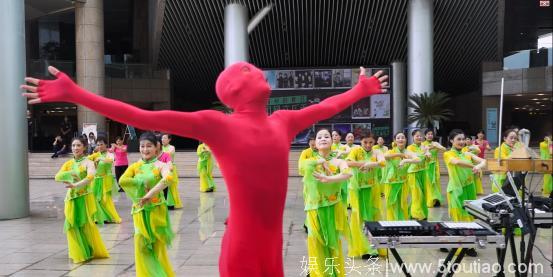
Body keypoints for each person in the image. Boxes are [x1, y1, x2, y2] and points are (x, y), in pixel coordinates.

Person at [22, 63, 387, 277]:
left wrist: (361, 90)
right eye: (245, 70)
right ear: (236, 90)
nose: (254, 69)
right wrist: (76, 93)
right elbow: (142, 116)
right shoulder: (218, 125)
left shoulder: (285, 121)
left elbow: (326, 107)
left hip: (271, 243)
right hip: (243, 244)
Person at [119, 132, 175, 277]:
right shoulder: (135, 166)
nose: (145, 149)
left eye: (149, 146)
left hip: (156, 210)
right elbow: (122, 181)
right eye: (142, 146)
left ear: (156, 148)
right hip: (140, 210)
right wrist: (139, 182)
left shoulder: (161, 165)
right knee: (140, 244)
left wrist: (149, 195)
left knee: (156, 245)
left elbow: (168, 179)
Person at [300, 129, 351, 277]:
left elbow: (348, 173)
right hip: (314, 208)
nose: (323, 139)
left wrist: (329, 179)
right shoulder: (309, 162)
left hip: (334, 207)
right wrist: (320, 161)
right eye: (319, 137)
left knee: (333, 242)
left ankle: (333, 273)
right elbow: (302, 168)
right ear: (314, 143)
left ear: (332, 141)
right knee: (316, 241)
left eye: (327, 136)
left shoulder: (338, 161)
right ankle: (318, 273)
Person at [54, 136, 109, 263]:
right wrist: (70, 175)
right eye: (73, 145)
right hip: (71, 198)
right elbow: (57, 176)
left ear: (84, 147)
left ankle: (88, 249)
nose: (75, 148)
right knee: (71, 224)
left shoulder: (88, 162)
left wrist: (77, 184)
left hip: (84, 197)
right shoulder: (68, 163)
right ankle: (78, 251)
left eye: (78, 145)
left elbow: (90, 177)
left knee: (85, 224)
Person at [443, 129, 486, 257]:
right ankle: (459, 245)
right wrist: (472, 166)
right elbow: (457, 162)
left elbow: (483, 161)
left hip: (469, 189)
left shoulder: (467, 152)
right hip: (456, 190)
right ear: (451, 141)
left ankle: (469, 245)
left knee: (470, 217)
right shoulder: (448, 154)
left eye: (463, 139)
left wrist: (478, 166)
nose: (462, 142)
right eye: (458, 139)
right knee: (459, 218)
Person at [346, 132, 386, 258]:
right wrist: (363, 164)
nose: (368, 145)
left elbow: (383, 162)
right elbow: (348, 163)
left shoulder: (376, 152)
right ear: (361, 142)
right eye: (365, 142)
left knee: (372, 216)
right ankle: (363, 248)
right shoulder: (355, 151)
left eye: (371, 142)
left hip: (372, 188)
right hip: (356, 189)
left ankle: (372, 248)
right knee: (358, 218)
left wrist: (370, 164)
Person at [382, 132, 421, 220]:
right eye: (398, 138)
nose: (401, 139)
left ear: (406, 140)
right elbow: (385, 156)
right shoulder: (390, 151)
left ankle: (402, 222)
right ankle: (392, 223)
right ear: (395, 141)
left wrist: (405, 161)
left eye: (403, 137)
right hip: (391, 182)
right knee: (391, 204)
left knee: (403, 204)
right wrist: (399, 155)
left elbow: (418, 159)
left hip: (403, 182)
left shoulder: (408, 152)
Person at [88, 136, 122, 224]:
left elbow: (110, 160)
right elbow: (87, 160)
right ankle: (98, 217)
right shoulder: (95, 154)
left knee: (106, 199)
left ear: (106, 144)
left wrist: (100, 158)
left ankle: (110, 216)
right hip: (96, 179)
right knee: (95, 198)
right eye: (98, 145)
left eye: (102, 144)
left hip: (106, 179)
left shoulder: (109, 154)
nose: (100, 146)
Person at [407, 129, 431, 220]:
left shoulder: (425, 146)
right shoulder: (409, 148)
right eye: (417, 136)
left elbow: (427, 160)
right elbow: (416, 158)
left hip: (423, 172)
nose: (419, 137)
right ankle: (416, 215)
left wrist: (428, 155)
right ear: (413, 137)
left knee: (423, 194)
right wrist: (424, 153)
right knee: (417, 194)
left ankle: (418, 213)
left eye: (420, 136)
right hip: (413, 173)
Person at [421, 129, 446, 207]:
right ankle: (430, 200)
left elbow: (444, 149)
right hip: (427, 165)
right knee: (428, 183)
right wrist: (429, 149)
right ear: (425, 136)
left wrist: (436, 146)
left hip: (435, 165)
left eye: (431, 134)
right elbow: (422, 153)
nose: (430, 135)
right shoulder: (422, 144)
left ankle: (436, 200)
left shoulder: (435, 143)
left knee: (436, 182)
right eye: (428, 134)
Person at [161, 134, 183, 209]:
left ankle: (171, 203)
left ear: (169, 139)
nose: (162, 140)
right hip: (161, 169)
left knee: (170, 186)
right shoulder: (160, 148)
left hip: (170, 168)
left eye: (164, 138)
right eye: (162, 138)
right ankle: (163, 202)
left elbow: (167, 155)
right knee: (162, 186)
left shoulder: (171, 147)